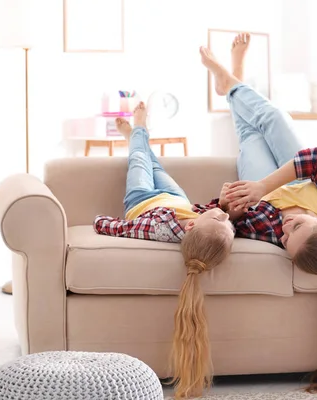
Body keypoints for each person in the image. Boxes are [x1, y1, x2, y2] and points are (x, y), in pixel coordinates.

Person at [199, 33, 317, 394]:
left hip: (268, 184)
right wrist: (263, 188)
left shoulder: (268, 230)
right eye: (294, 227)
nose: (282, 233)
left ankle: (233, 78)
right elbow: (316, 159)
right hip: (292, 171)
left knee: (249, 135)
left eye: (284, 242)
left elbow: (226, 216)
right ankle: (229, 80)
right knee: (272, 115)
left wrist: (225, 206)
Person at [93, 102, 235, 398]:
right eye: (226, 222)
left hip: (142, 198)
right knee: (155, 162)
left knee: (140, 162)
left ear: (193, 229)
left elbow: (120, 228)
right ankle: (137, 134)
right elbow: (212, 214)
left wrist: (98, 221)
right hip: (177, 199)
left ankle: (137, 129)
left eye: (220, 219)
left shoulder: (159, 229)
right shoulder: (200, 224)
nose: (225, 216)